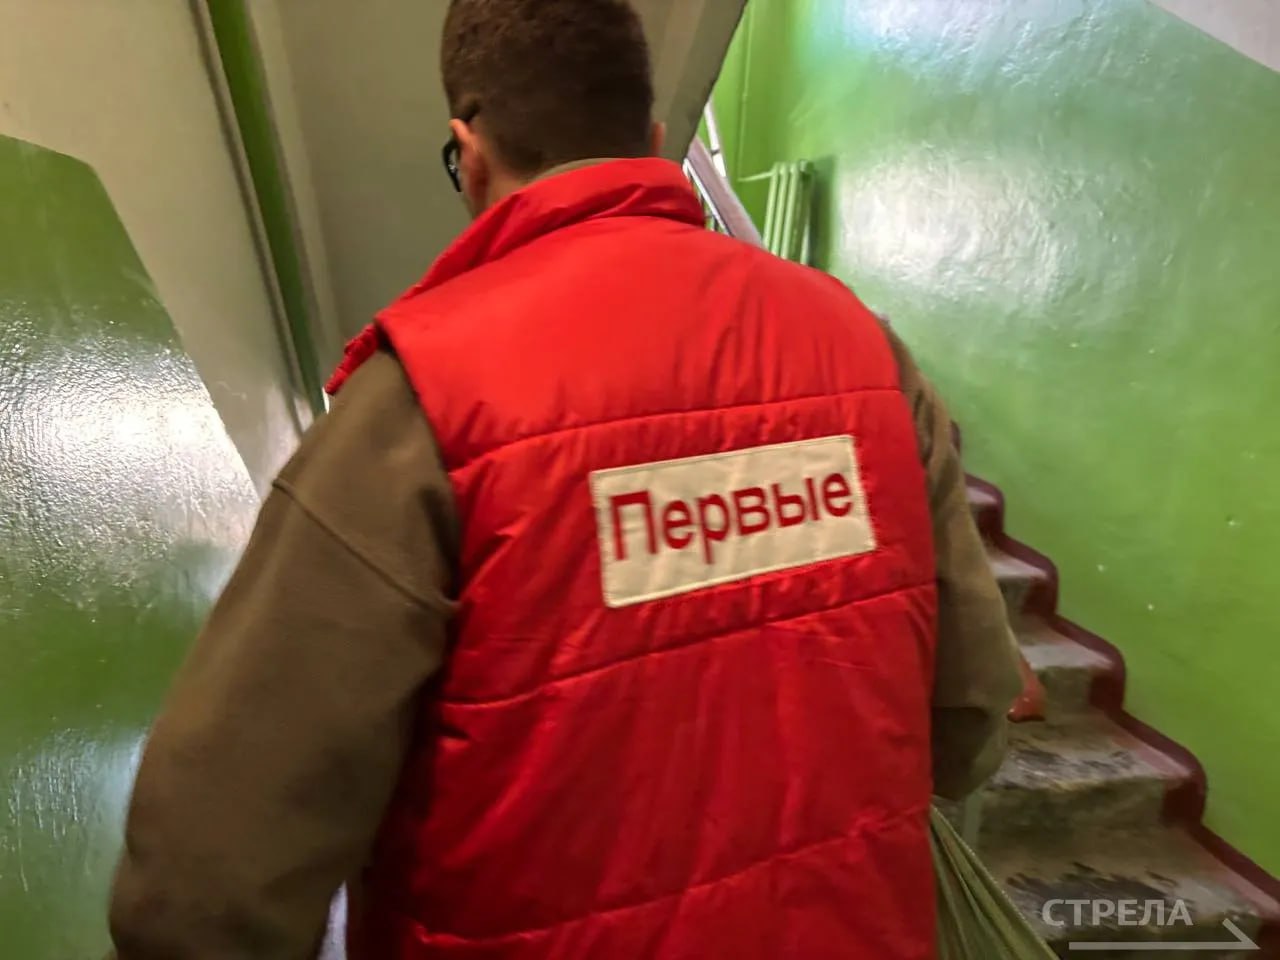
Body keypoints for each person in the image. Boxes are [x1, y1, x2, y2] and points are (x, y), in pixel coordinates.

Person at [107, 1, 1022, 957]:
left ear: (469, 156)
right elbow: (968, 721)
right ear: (654, 142)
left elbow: (204, 893)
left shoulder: (421, 403)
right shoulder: (867, 353)